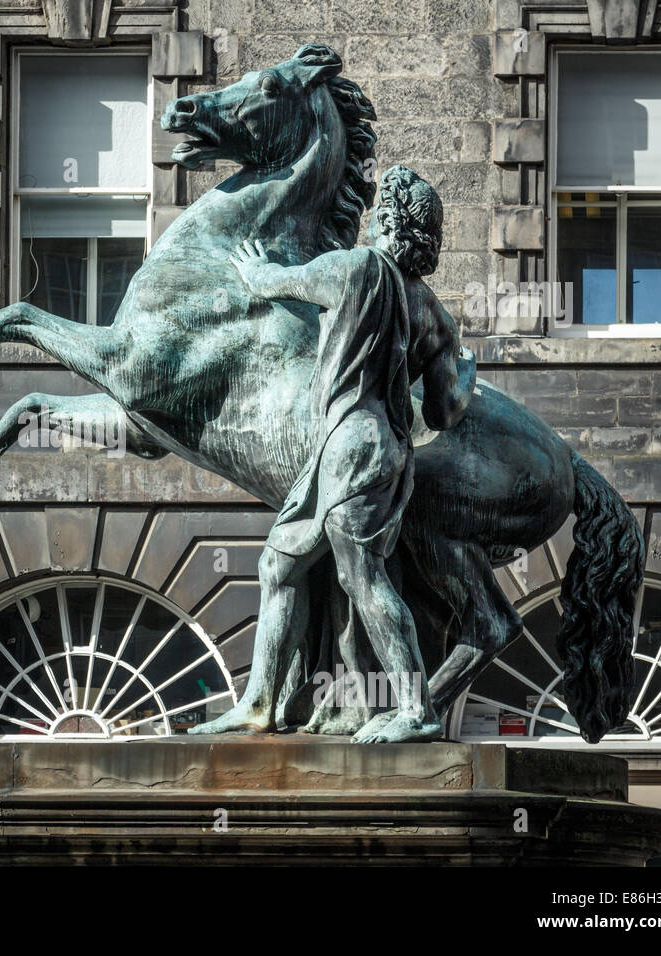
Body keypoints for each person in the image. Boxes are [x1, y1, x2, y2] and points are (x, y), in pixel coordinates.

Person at [198, 165, 476, 743]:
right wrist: (467, 376)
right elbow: (447, 411)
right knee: (280, 564)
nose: (372, 216)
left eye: (381, 209)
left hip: (351, 442)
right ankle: (260, 704)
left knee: (363, 576)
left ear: (391, 221)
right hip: (379, 449)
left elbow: (272, 283)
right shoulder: (432, 312)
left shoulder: (353, 268)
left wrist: (256, 267)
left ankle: (415, 708)